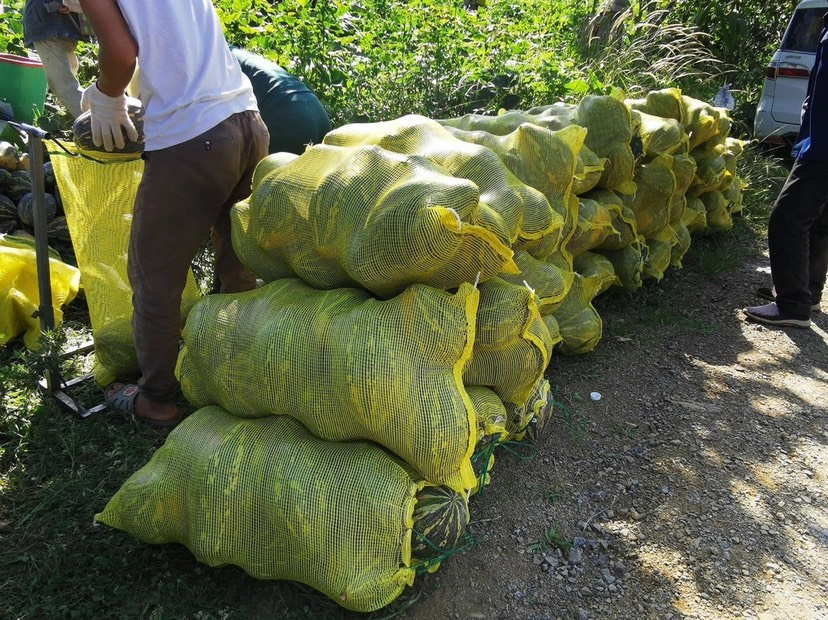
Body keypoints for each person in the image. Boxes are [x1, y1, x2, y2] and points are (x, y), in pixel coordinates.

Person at [78, 0, 269, 426]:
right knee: (238, 264)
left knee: (155, 277)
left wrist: (107, 97)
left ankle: (156, 399)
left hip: (193, 137)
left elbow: (122, 54)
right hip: (247, 121)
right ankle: (248, 372)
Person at [744, 11, 828, 329]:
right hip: (818, 139)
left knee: (787, 218)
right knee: (818, 218)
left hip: (823, 146)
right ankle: (808, 291)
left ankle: (792, 304)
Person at [231, 47, 331, 155]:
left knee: (268, 170)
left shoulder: (219, 59)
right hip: (315, 108)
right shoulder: (236, 54)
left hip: (288, 117)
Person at [23, 0, 92, 118]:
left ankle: (95, 126)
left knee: (64, 86)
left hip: (49, 25)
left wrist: (55, 3)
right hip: (65, 26)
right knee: (69, 72)